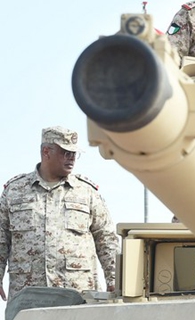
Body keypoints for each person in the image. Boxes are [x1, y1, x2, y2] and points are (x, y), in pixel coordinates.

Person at [0, 127, 118, 302]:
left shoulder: (86, 192)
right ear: (46, 151)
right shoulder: (15, 191)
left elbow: (106, 238)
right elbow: (2, 238)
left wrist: (114, 278)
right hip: (28, 295)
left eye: (74, 153)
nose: (71, 158)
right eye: (65, 152)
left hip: (77, 293)